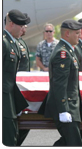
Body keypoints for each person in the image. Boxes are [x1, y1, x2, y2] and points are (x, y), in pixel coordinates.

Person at [44, 19, 82, 146]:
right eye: (77, 33)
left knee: (69, 143)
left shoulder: (68, 50)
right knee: (74, 143)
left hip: (71, 106)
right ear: (67, 33)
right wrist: (63, 109)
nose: (80, 36)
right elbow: (59, 83)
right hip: (66, 106)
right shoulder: (63, 53)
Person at [3, 9, 30, 146]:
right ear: (11, 24)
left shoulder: (12, 42)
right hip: (3, 99)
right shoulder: (3, 42)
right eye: (20, 25)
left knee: (12, 138)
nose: (23, 29)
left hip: (10, 98)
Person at [15, 22, 31, 146]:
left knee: (25, 124)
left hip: (23, 85)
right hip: (16, 86)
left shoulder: (22, 42)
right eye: (23, 26)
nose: (25, 28)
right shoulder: (12, 43)